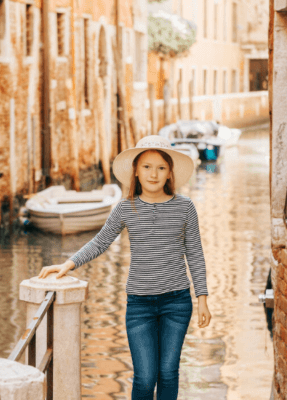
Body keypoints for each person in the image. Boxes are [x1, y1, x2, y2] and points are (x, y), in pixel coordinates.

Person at [38, 135, 211, 400]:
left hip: (177, 303)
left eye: (161, 168)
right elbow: (100, 242)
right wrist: (68, 264)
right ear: (136, 172)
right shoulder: (125, 208)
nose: (153, 174)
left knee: (168, 372)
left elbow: (195, 254)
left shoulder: (185, 207)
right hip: (139, 306)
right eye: (147, 167)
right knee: (144, 377)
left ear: (169, 173)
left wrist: (202, 298)